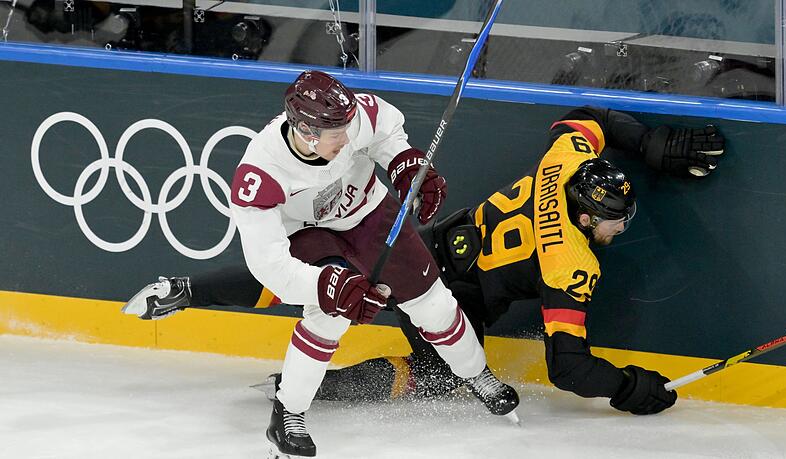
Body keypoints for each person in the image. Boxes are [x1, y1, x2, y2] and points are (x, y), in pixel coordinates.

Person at [126, 105, 724, 419]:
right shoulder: (570, 263)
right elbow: (568, 369)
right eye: (618, 219)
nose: (625, 226)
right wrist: (631, 388)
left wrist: (649, 143)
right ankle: (317, 389)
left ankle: (186, 289)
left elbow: (588, 121)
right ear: (589, 220)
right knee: (438, 372)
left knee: (315, 284)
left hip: (430, 246)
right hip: (446, 292)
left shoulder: (563, 164)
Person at [123, 70, 518, 458]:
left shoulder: (346, 117)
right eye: (336, 136)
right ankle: (289, 413)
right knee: (329, 316)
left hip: (367, 212)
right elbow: (269, 266)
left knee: (434, 304)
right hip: (309, 234)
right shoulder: (261, 173)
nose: (347, 139)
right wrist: (326, 287)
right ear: (308, 134)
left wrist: (406, 165)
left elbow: (385, 134)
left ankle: (476, 374)